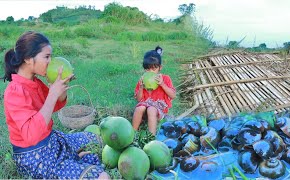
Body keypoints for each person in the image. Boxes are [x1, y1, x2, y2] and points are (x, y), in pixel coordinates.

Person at [2, 31, 109, 179]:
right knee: (102, 177)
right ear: (27, 58)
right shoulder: (15, 91)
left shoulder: (35, 82)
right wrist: (52, 94)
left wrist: (61, 86)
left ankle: (70, 157)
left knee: (94, 138)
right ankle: (69, 159)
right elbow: (31, 135)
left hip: (51, 142)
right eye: (46, 57)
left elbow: (56, 105)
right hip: (36, 157)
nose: (50, 61)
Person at [132, 48, 176, 135]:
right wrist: (141, 88)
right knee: (139, 108)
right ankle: (133, 133)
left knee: (151, 109)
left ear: (160, 68)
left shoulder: (165, 79)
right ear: (145, 69)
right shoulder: (143, 79)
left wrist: (162, 84)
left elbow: (173, 95)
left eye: (154, 69)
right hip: (144, 107)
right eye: (148, 69)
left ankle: (151, 136)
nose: (151, 72)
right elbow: (138, 99)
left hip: (158, 109)